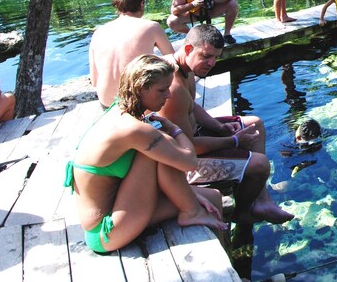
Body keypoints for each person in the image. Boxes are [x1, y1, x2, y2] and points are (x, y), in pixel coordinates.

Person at [64, 55, 227, 253]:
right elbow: (189, 162)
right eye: (162, 90)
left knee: (213, 196)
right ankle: (191, 212)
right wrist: (175, 129)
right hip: (107, 231)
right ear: (141, 88)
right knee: (160, 149)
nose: (168, 95)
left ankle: (228, 260)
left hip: (119, 208)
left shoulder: (118, 110)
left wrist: (189, 192)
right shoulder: (134, 130)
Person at [159, 24, 294, 224]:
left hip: (192, 136)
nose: (212, 63)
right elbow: (188, 148)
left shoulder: (182, 67)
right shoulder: (172, 86)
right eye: (206, 56)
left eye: (216, 57)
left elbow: (192, 107)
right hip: (183, 165)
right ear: (188, 49)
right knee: (261, 164)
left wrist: (218, 127)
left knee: (254, 124)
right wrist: (232, 141)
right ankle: (243, 213)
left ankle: (261, 199)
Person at [90, 0, 177, 108]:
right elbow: (173, 61)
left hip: (107, 103)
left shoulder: (98, 33)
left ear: (117, 5)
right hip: (135, 103)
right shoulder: (151, 27)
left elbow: (94, 80)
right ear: (142, 4)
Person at [166, 0, 239, 44]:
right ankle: (193, 37)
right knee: (171, 21)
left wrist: (214, 1)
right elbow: (174, 10)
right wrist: (193, 4)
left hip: (212, 10)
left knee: (233, 4)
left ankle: (227, 35)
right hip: (193, 13)